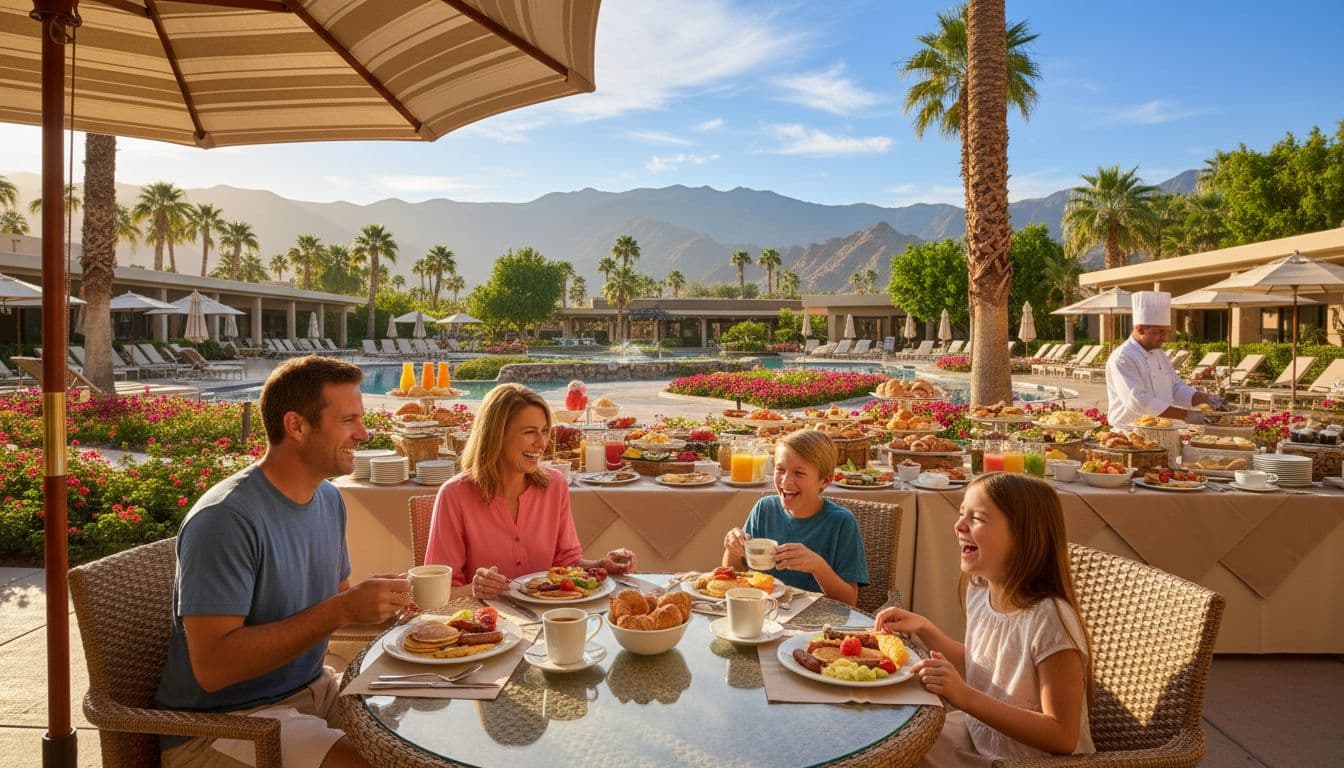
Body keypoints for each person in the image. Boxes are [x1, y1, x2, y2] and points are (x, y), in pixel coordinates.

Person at [157, 355, 411, 768]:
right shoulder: (226, 518)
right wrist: (343, 608)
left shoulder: (328, 498)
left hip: (314, 691)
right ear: (296, 426)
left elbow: (334, 607)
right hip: (225, 725)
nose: (363, 433)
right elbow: (213, 667)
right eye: (348, 421)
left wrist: (386, 608)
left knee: (422, 739)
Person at [874, 473, 1093, 766]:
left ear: (1022, 536)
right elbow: (987, 668)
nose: (958, 525)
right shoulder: (979, 589)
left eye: (976, 518)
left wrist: (964, 697)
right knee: (884, 741)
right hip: (981, 738)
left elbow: (1061, 736)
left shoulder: (1050, 619)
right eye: (962, 513)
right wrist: (925, 629)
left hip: (1029, 760)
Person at [425, 383, 637, 597]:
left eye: (544, 431)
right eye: (529, 432)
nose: (541, 443)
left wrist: (599, 566)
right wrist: (475, 590)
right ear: (496, 435)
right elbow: (437, 593)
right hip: (487, 621)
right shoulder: (455, 495)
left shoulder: (555, 485)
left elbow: (566, 563)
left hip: (550, 619)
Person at [721, 429, 867, 606]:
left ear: (825, 481)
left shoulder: (841, 522)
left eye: (799, 473)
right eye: (780, 469)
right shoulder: (764, 509)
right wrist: (733, 548)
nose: (785, 481)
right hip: (763, 614)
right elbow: (735, 574)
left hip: (817, 623)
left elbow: (849, 601)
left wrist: (817, 566)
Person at [1105, 290, 1226, 427]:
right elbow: (1139, 401)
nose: (1165, 338)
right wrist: (1186, 415)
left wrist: (1206, 398)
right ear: (1140, 329)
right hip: (1130, 431)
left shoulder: (1159, 354)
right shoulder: (1123, 358)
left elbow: (1175, 388)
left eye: (1167, 332)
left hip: (1164, 428)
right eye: (1160, 332)